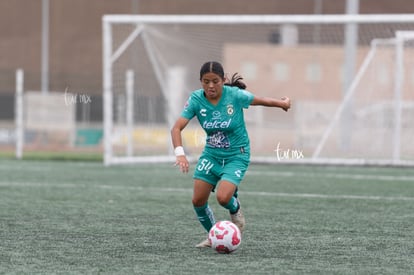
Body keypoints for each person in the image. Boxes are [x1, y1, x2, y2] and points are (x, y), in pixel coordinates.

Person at [171, 61, 291, 248]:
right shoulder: (196, 99)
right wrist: (180, 154)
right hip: (211, 155)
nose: (210, 86)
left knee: (223, 198)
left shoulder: (234, 95)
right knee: (197, 201)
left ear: (223, 80)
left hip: (237, 155)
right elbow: (177, 128)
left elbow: (261, 100)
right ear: (200, 81)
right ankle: (214, 236)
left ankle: (236, 211)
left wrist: (283, 103)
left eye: (215, 81)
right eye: (206, 81)